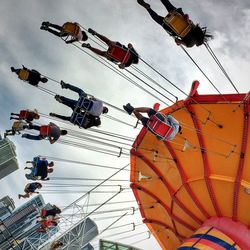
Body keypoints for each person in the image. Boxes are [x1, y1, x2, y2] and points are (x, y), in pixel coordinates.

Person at [137, 0, 213, 47]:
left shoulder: (195, 30)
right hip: (171, 28)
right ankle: (148, 9)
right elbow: (178, 41)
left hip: (179, 17)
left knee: (167, 4)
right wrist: (177, 41)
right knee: (157, 19)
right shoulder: (190, 45)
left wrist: (186, 18)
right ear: (197, 42)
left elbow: (189, 22)